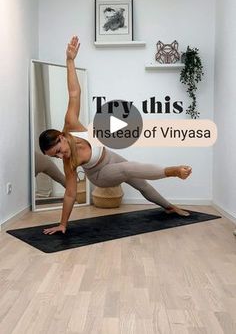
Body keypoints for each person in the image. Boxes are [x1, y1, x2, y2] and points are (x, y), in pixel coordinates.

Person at [39, 36, 192, 235]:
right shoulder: (69, 163)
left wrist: (70, 61)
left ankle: (169, 206)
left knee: (141, 183)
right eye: (55, 157)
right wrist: (62, 224)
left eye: (58, 151)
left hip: (109, 156)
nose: (60, 157)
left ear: (61, 137)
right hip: (100, 175)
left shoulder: (71, 124)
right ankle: (171, 171)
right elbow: (69, 194)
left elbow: (74, 93)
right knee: (129, 168)